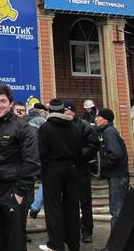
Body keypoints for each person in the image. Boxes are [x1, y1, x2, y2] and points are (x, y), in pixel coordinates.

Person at [0, 83, 39, 251]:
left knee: (15, 242)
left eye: (3, 101)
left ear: (10, 103)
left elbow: (32, 162)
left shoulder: (24, 128)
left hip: (14, 190)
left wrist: (20, 192)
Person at [37, 99, 83, 251]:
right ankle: (74, 244)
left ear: (50, 111)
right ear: (64, 111)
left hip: (52, 170)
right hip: (71, 169)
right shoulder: (74, 128)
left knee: (53, 208)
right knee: (72, 208)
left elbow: (42, 153)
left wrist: (42, 171)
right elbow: (79, 151)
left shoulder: (45, 128)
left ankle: (56, 244)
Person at [63, 99, 99, 243]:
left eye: (67, 110)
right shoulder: (61, 126)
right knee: (68, 202)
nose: (65, 113)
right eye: (63, 111)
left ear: (72, 110)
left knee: (85, 202)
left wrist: (78, 154)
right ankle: (70, 230)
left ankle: (86, 230)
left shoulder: (84, 126)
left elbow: (93, 145)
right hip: (65, 170)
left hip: (81, 169)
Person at [95, 108, 130, 229]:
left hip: (117, 176)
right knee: (118, 208)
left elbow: (115, 153)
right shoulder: (109, 131)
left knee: (117, 209)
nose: (96, 119)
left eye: (98, 117)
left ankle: (117, 243)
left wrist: (102, 166)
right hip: (118, 175)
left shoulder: (109, 132)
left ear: (104, 119)